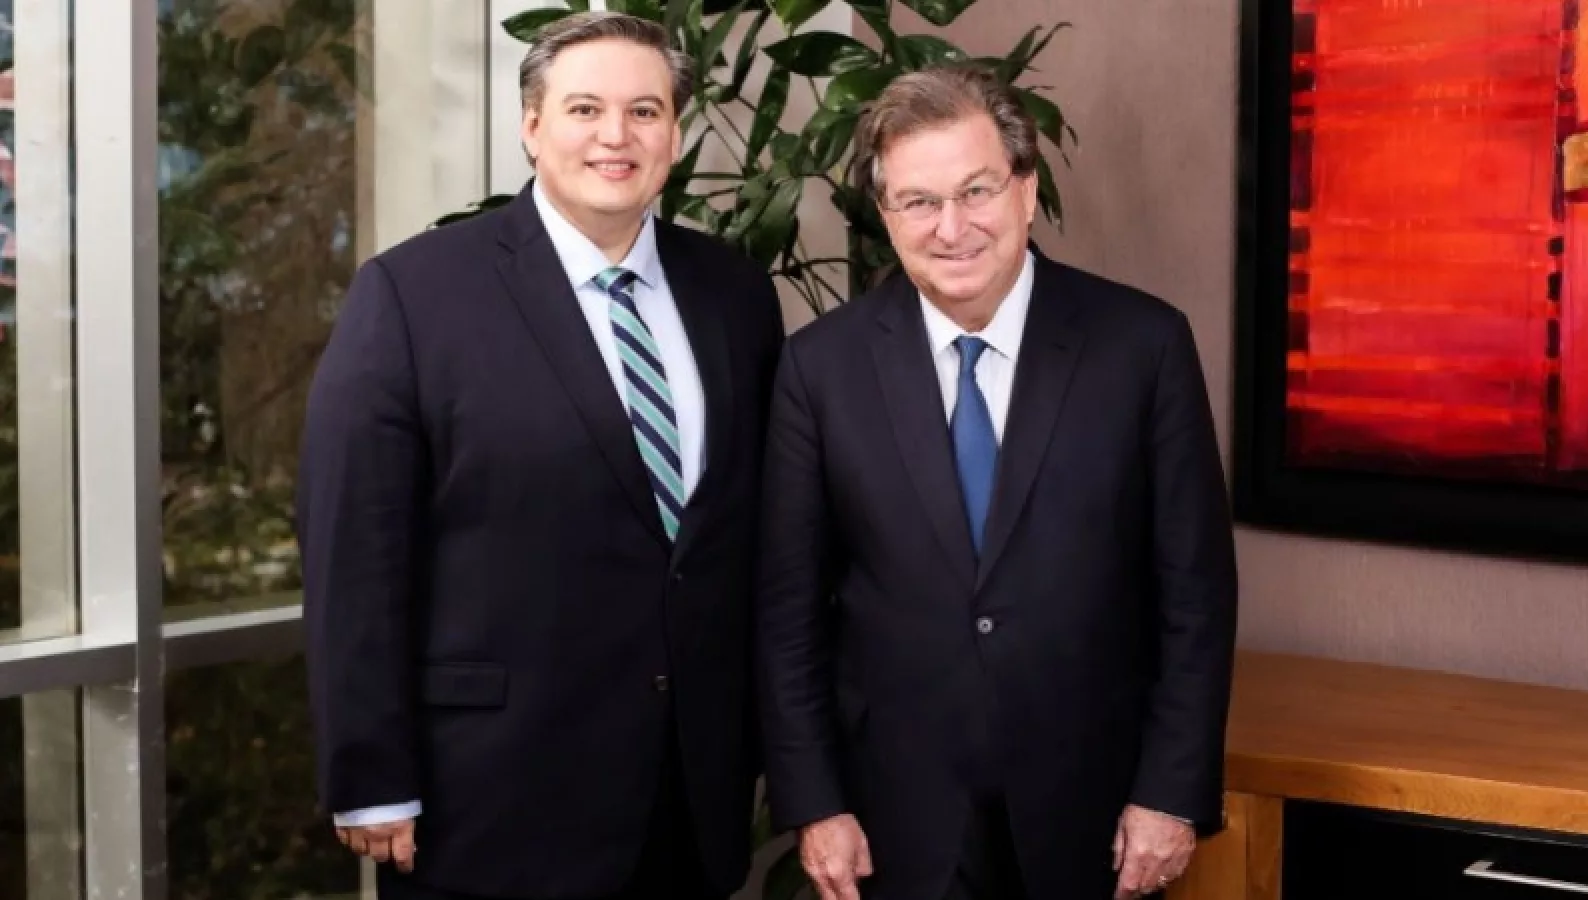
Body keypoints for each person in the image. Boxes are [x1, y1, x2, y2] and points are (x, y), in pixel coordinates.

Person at [297, 12, 784, 900]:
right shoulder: (412, 294)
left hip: (687, 799)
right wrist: (370, 776)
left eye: (644, 111)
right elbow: (354, 551)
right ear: (531, 126)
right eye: (585, 108)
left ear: (675, 134)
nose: (615, 135)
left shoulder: (735, 294)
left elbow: (743, 541)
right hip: (490, 801)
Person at [755, 64, 1238, 900]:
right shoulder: (820, 367)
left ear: (1026, 188)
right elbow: (788, 612)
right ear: (885, 215)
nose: (952, 228)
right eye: (918, 201)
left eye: (976, 190)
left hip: (1096, 809)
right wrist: (816, 803)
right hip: (893, 816)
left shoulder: (1143, 346)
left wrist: (1171, 792)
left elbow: (1195, 594)